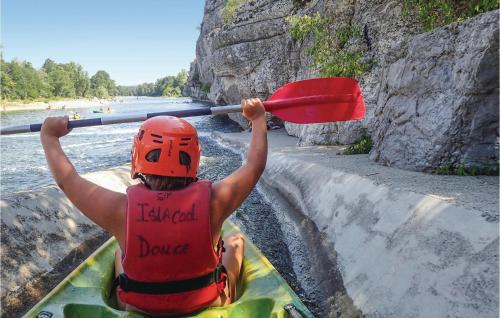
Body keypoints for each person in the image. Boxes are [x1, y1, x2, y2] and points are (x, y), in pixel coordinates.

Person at [40, 98, 268, 316]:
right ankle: (230, 292)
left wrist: (49, 137)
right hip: (205, 303)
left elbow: (68, 180)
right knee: (235, 241)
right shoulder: (216, 201)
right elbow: (254, 165)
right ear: (194, 159)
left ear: (137, 156)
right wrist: (258, 119)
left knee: (120, 252)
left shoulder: (119, 210)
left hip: (138, 308)